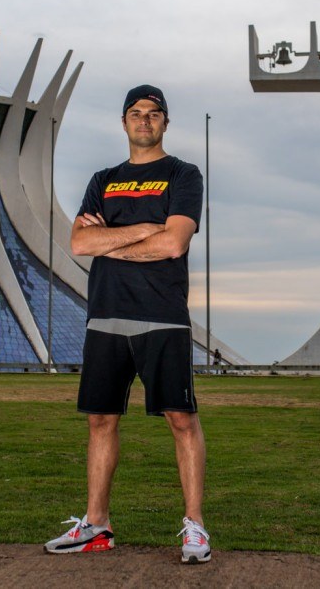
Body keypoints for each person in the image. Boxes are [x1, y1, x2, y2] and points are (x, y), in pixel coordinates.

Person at [44, 85, 211, 564]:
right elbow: (78, 243)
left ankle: (195, 527)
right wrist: (144, 229)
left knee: (181, 419)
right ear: (123, 122)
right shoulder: (104, 179)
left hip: (162, 315)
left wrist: (109, 240)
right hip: (106, 314)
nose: (144, 121)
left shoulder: (183, 174)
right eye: (136, 114)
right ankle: (96, 525)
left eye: (154, 114)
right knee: (101, 420)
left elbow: (174, 243)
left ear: (164, 123)